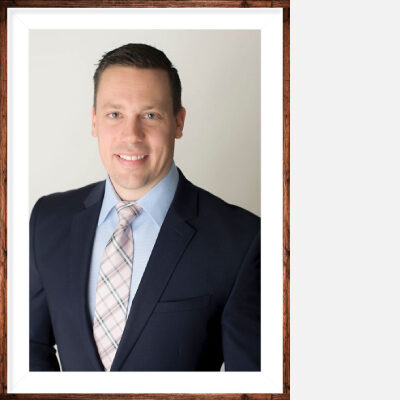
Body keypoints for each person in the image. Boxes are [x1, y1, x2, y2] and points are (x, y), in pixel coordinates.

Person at [29, 43, 260, 372]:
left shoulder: (242, 240)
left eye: (150, 115)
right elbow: (27, 345)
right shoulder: (47, 221)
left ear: (179, 123)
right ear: (94, 122)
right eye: (115, 115)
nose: (131, 135)